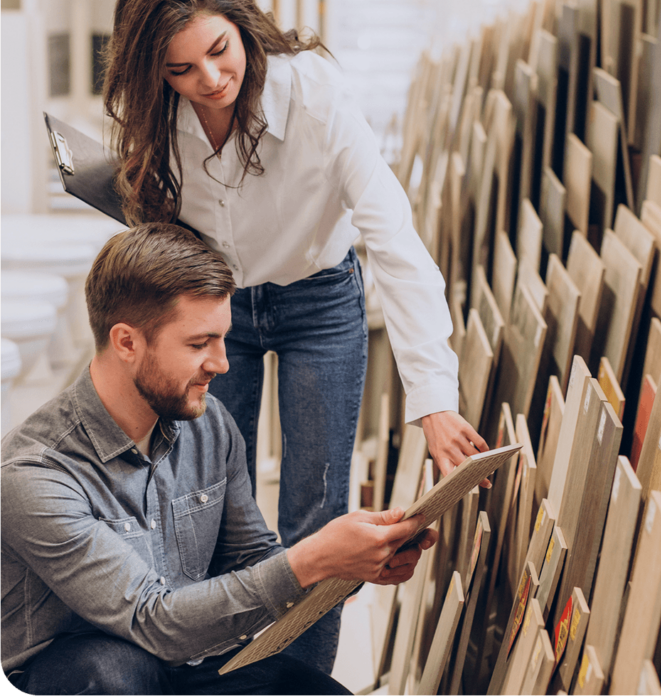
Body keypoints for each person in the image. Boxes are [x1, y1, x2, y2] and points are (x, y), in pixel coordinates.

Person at [102, 0, 488, 671]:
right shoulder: (158, 118)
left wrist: (434, 399)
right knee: (206, 505)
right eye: (180, 69)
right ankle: (220, 677)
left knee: (317, 515)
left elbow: (395, 240)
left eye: (219, 52)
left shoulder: (314, 95)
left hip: (319, 302)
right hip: (217, 308)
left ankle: (302, 684)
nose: (210, 81)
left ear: (243, 26)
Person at [0, 223, 436, 696]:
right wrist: (311, 559)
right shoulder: (35, 475)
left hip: (186, 659)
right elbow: (153, 619)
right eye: (198, 343)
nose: (222, 363)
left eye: (223, 338)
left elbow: (249, 558)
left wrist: (348, 562)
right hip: (83, 671)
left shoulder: (207, 424)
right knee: (114, 675)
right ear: (127, 342)